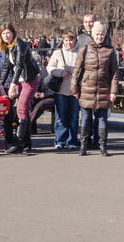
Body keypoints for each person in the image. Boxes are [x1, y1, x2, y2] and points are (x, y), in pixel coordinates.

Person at [71, 22, 118, 157]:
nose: (99, 37)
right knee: (85, 118)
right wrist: (74, 89)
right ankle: (84, 146)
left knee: (102, 119)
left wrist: (113, 91)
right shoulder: (84, 49)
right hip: (86, 89)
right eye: (97, 34)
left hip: (104, 88)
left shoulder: (110, 51)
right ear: (92, 34)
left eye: (102, 34)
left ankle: (102, 146)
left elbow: (114, 73)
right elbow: (76, 70)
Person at [0, 23, 40, 154]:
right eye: (3, 33)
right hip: (20, 81)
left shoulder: (20, 44)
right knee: (24, 111)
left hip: (29, 79)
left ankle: (19, 143)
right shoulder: (8, 47)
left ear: (13, 33)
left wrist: (12, 84)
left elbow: (20, 65)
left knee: (21, 108)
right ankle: (27, 142)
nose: (6, 35)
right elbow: (6, 68)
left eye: (8, 33)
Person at [46, 31, 80, 151]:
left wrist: (70, 70)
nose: (69, 43)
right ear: (63, 41)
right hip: (61, 89)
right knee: (61, 116)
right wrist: (60, 72)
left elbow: (83, 69)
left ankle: (72, 140)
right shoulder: (57, 53)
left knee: (74, 116)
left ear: (75, 41)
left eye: (71, 40)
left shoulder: (79, 53)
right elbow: (50, 67)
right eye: (66, 40)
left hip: (75, 90)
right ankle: (60, 140)